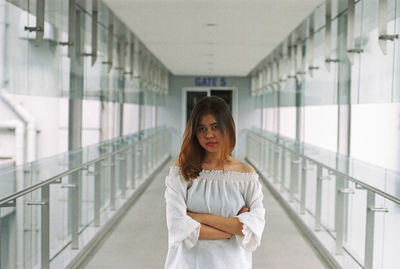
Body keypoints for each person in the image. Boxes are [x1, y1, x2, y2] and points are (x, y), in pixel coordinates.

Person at [164, 96, 265, 269]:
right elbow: (177, 226)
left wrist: (200, 217)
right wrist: (231, 230)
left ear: (228, 127)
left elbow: (254, 227)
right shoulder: (181, 170)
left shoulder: (245, 174)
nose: (208, 134)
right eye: (201, 128)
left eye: (215, 127)